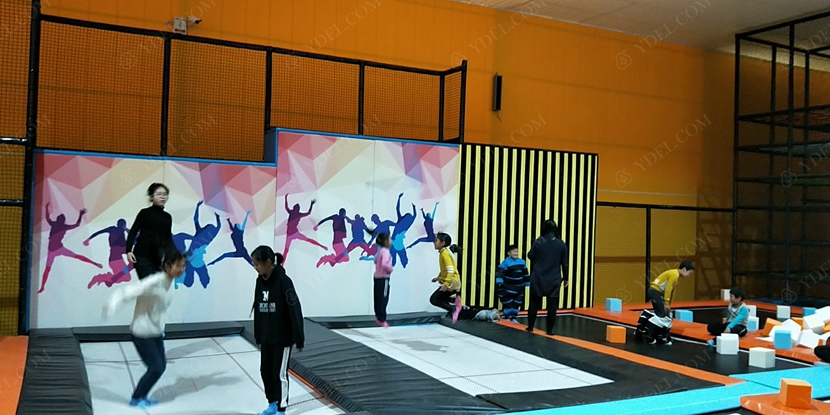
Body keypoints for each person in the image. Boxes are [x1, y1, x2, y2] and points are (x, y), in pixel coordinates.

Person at [102, 250, 186, 409]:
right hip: (142, 332)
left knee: (161, 367)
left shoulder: (170, 282)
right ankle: (136, 398)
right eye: (178, 265)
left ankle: (143, 396)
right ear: (167, 266)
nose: (181, 269)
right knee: (156, 367)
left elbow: (159, 309)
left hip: (156, 332)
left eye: (183, 266)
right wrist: (111, 305)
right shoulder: (155, 281)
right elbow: (128, 292)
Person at [251, 246, 305, 415]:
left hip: (282, 338)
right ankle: (272, 403)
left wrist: (299, 336)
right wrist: (258, 333)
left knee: (279, 374)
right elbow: (257, 308)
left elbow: (294, 308)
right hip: (267, 337)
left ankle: (281, 409)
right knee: (265, 371)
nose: (255, 268)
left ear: (268, 262)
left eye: (257, 264)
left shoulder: (284, 281)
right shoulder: (260, 281)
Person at [526, 220, 568, 335]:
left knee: (534, 303)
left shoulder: (539, 241)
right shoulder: (561, 244)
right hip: (554, 278)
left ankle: (530, 327)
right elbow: (564, 263)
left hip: (538, 277)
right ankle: (549, 330)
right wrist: (566, 278)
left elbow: (530, 255)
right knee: (552, 305)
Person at [126, 183, 175, 280]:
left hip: (157, 258)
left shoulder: (167, 217)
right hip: (142, 256)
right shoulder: (145, 213)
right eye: (159, 194)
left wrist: (169, 258)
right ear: (151, 197)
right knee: (148, 283)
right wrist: (128, 251)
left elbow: (167, 238)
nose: (163, 197)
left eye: (165, 194)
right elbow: (133, 232)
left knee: (155, 287)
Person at [430, 233, 463, 323]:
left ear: (443, 243)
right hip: (452, 281)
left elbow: (450, 270)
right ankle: (454, 302)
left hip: (452, 282)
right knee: (440, 298)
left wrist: (446, 284)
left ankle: (454, 308)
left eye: (436, 241)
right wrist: (438, 278)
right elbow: (444, 270)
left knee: (434, 299)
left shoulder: (444, 254)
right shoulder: (443, 253)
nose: (434, 242)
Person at [495, 244, 530, 322]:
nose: (515, 253)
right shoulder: (506, 262)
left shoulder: (522, 262)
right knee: (508, 302)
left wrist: (527, 282)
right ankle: (507, 317)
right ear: (509, 253)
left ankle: (513, 317)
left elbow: (525, 273)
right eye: (514, 252)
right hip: (508, 287)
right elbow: (500, 272)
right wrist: (499, 280)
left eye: (516, 251)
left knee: (517, 302)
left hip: (519, 287)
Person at [371, 232, 393, 328]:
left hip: (377, 277)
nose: (391, 242)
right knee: (383, 298)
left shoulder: (380, 251)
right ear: (386, 241)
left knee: (378, 298)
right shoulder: (386, 252)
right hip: (384, 278)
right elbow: (384, 264)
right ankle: (381, 318)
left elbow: (376, 261)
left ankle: (378, 316)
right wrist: (390, 269)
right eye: (390, 240)